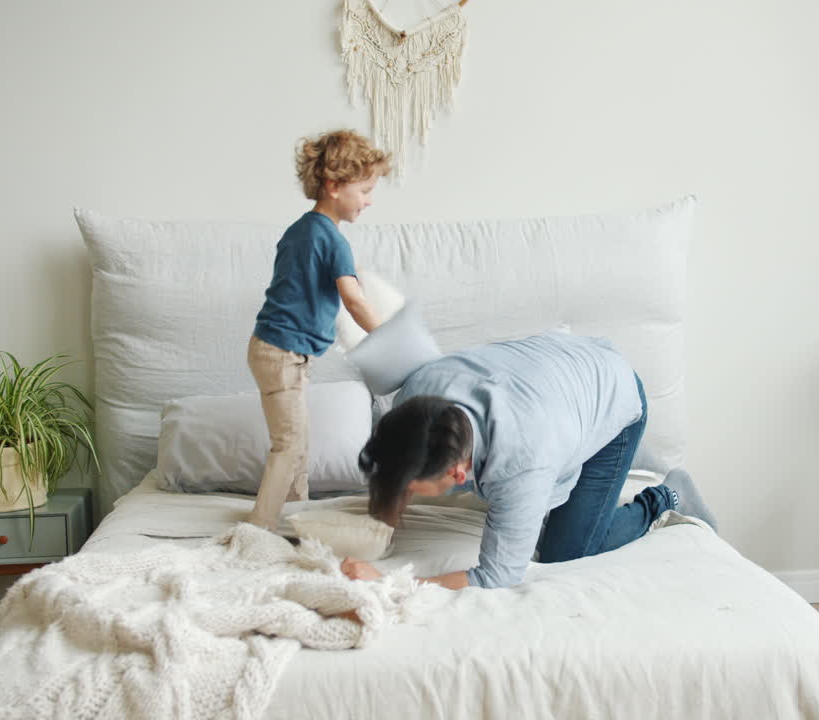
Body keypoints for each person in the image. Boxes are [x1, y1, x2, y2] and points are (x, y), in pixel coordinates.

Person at [341, 332, 717, 589]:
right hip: (556, 378)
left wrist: (388, 582)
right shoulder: (417, 396)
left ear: (457, 474)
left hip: (612, 391)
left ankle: (667, 496)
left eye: (410, 490)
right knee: (541, 487)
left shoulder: (520, 463)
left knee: (564, 551)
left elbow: (496, 577)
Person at [247, 129, 389, 530]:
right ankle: (257, 527)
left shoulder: (299, 231)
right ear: (333, 185)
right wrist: (384, 334)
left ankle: (294, 516)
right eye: (364, 189)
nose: (369, 199)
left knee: (298, 442)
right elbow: (354, 299)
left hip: (274, 350)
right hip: (283, 353)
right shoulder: (333, 241)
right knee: (289, 445)